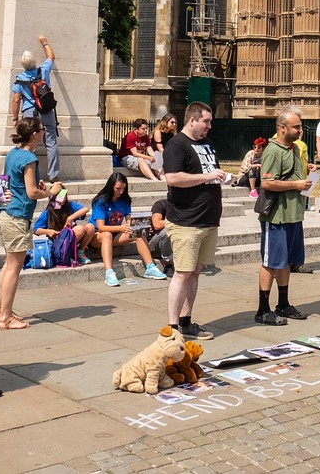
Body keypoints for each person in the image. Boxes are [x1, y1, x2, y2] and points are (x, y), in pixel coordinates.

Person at [162, 101, 228, 340]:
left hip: (208, 219)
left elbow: (209, 173)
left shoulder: (207, 144)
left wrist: (220, 177)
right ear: (192, 120)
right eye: (206, 121)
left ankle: (186, 320)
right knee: (183, 272)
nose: (209, 126)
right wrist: (207, 176)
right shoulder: (176, 145)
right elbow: (173, 178)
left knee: (196, 271)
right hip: (186, 221)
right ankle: (172, 328)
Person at [0, 117, 56, 330]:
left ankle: (1, 308)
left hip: (5, 212)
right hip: (18, 215)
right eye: (41, 129)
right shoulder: (29, 157)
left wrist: (35, 186)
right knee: (14, 267)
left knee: (8, 265)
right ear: (34, 134)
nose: (43, 132)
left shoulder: (13, 153)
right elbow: (31, 192)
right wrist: (50, 192)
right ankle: (5, 318)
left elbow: (18, 182)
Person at [255, 110, 311, 325]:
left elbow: (293, 174)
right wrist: (296, 184)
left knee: (287, 261)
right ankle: (262, 309)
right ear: (282, 128)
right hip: (276, 217)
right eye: (296, 126)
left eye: (300, 126)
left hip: (293, 214)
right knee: (271, 262)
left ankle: (283, 303)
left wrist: (304, 173)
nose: (300, 130)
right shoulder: (272, 151)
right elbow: (267, 183)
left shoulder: (295, 149)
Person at [91, 172, 167, 286]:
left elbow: (129, 220)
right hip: (99, 236)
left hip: (116, 234)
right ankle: (109, 272)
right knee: (106, 235)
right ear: (110, 186)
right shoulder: (101, 202)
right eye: (117, 189)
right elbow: (101, 227)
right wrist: (121, 227)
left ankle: (150, 267)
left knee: (138, 232)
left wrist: (137, 225)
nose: (120, 192)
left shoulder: (124, 201)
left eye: (123, 188)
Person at [10, 35, 59, 181]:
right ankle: (53, 175)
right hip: (46, 109)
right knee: (51, 142)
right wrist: (44, 42)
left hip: (30, 111)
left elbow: (16, 100)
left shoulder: (20, 79)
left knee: (30, 143)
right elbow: (51, 56)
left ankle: (32, 175)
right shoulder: (43, 71)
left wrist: (15, 118)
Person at [33, 188, 94, 265]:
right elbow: (36, 229)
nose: (61, 200)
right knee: (80, 229)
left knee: (90, 227)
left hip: (71, 237)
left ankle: (80, 252)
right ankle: (65, 254)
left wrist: (70, 218)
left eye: (63, 196)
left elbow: (86, 209)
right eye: (57, 197)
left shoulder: (70, 205)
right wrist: (48, 231)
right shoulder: (48, 212)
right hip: (58, 241)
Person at [145, 196, 174, 276]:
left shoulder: (185, 208)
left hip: (174, 244)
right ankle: (168, 264)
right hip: (154, 246)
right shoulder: (160, 205)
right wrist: (178, 222)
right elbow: (157, 224)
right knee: (166, 231)